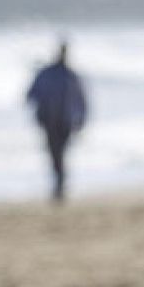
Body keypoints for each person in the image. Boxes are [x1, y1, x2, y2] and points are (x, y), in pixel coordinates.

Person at [25, 41, 89, 203]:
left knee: (59, 153)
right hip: (49, 120)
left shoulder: (69, 75)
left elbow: (81, 100)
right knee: (55, 154)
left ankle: (59, 186)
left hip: (65, 122)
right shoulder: (49, 74)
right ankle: (59, 185)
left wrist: (81, 120)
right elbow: (31, 95)